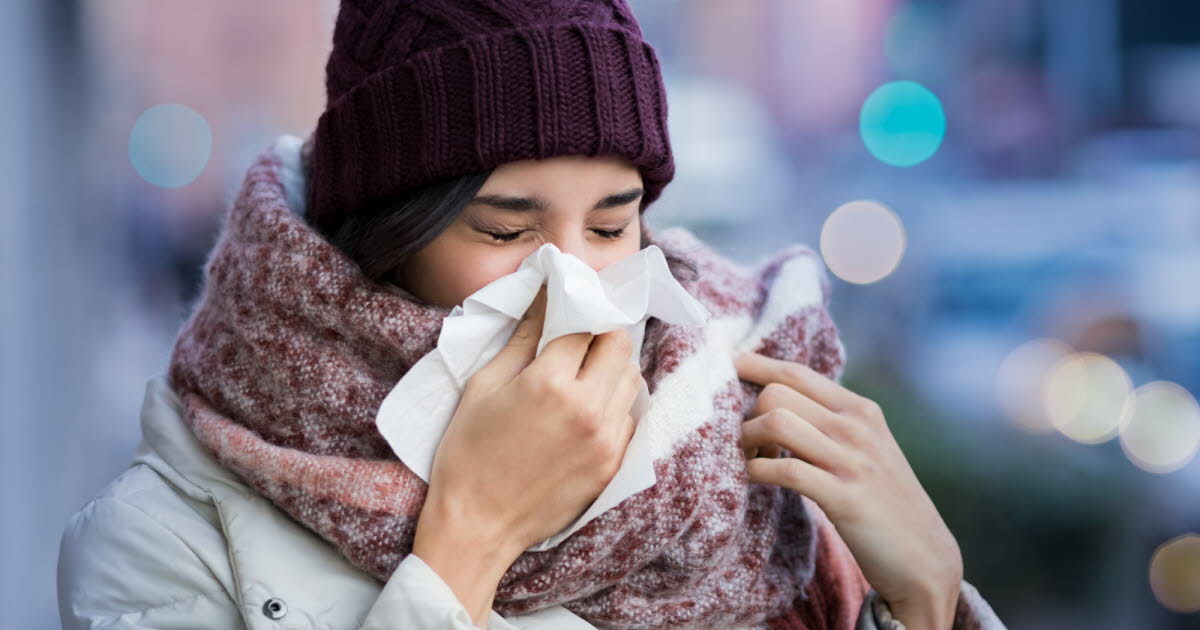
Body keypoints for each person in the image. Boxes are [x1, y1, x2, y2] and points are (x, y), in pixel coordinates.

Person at [57, 2, 1007, 629]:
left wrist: (927, 603)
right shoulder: (164, 542)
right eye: (509, 228)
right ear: (385, 232)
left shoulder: (742, 437)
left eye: (611, 222)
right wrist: (466, 545)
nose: (577, 284)